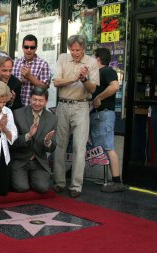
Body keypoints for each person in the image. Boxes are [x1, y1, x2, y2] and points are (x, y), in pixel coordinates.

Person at [53, 35, 99, 198]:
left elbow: (93, 89)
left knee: (79, 147)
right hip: (63, 104)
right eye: (72, 50)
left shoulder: (92, 62)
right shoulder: (63, 58)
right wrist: (75, 78)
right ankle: (59, 182)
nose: (74, 53)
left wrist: (84, 79)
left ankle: (76, 186)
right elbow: (56, 82)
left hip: (81, 106)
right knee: (60, 145)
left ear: (84, 49)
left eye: (77, 50)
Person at [91, 47, 126, 193]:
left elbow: (115, 86)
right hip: (98, 115)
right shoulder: (97, 73)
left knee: (108, 146)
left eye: (93, 57)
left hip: (104, 114)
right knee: (92, 145)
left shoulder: (106, 71)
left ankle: (117, 181)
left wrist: (99, 98)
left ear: (98, 58)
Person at [10, 87, 57, 193]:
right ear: (30, 99)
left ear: (46, 102)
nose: (37, 103)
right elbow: (12, 142)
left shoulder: (52, 118)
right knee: (21, 188)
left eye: (40, 100)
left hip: (38, 161)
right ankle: (23, 178)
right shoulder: (17, 114)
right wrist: (28, 135)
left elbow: (52, 147)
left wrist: (47, 142)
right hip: (20, 160)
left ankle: (33, 178)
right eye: (34, 99)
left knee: (43, 188)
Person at [12, 34, 51, 106]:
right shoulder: (15, 63)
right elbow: (10, 85)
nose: (29, 50)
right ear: (22, 47)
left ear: (36, 48)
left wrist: (30, 77)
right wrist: (21, 81)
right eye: (26, 47)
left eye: (32, 47)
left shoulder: (43, 64)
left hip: (34, 107)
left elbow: (44, 87)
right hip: (16, 107)